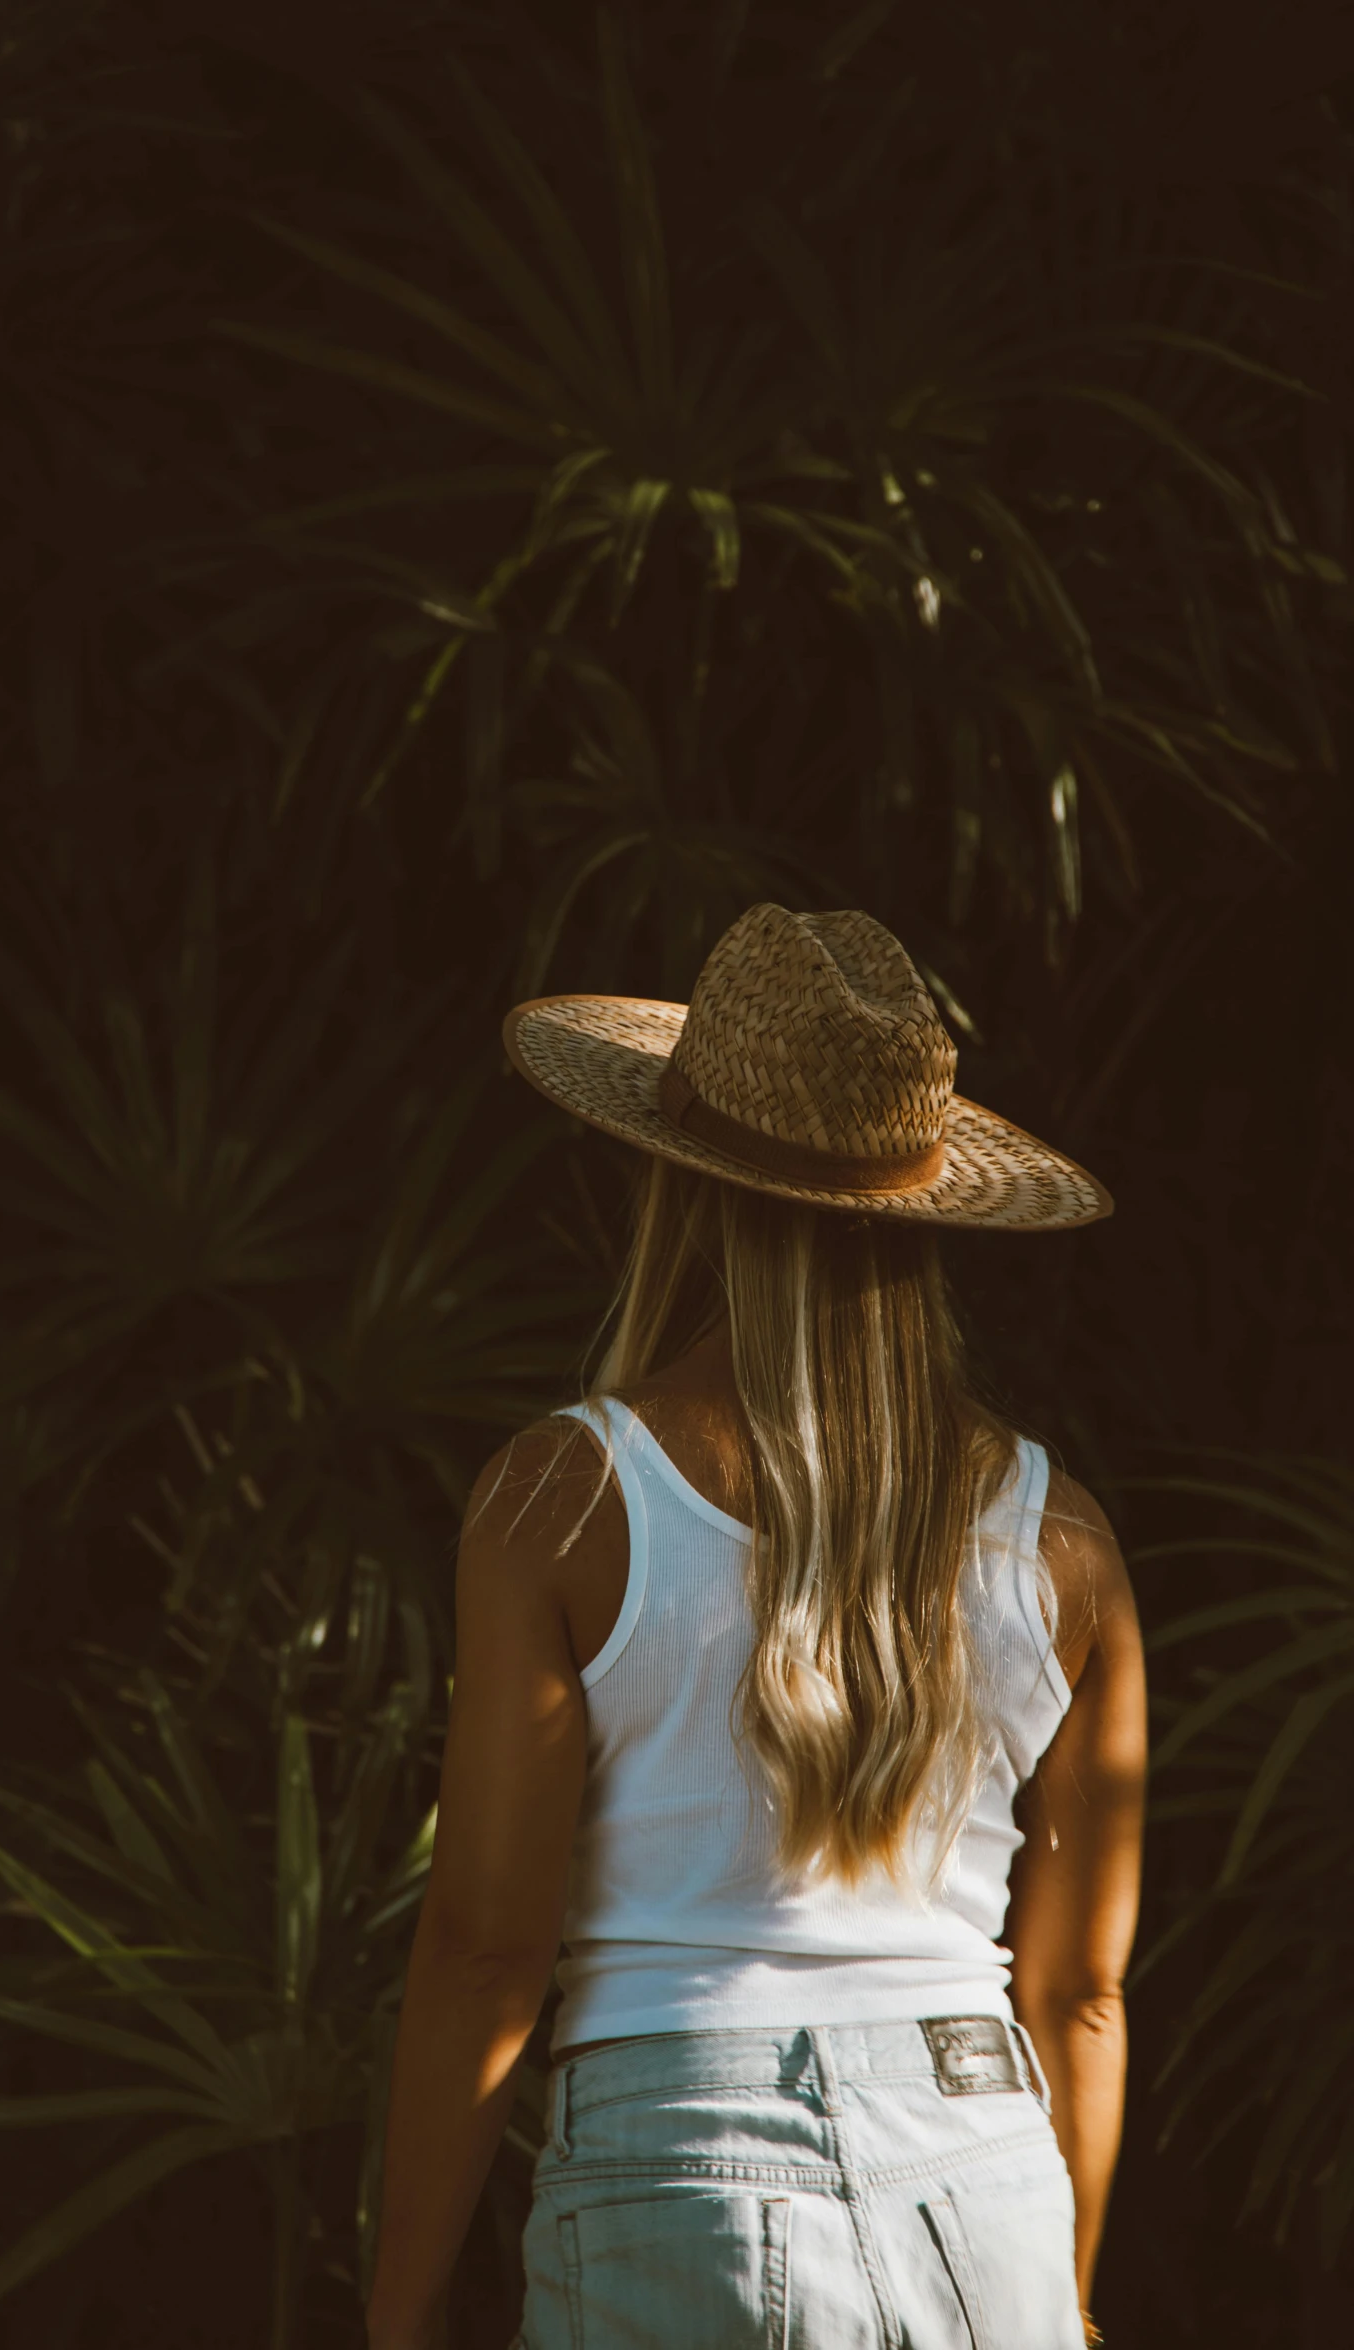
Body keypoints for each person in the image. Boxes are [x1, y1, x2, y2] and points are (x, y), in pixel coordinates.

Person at [364, 904, 1146, 2350]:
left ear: (682, 1179)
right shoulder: (1064, 1539)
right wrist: (1070, 2291)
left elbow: (483, 1949)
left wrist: (397, 2316)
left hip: (680, 2163)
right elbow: (1081, 1989)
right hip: (986, 2173)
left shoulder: (566, 1496)